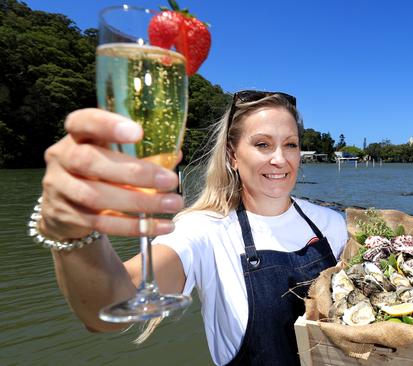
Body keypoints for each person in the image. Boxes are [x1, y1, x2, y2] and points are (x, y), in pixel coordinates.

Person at [36, 91, 348, 365]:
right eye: (262, 144)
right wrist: (71, 230)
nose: (280, 159)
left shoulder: (330, 223)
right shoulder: (203, 230)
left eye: (290, 144)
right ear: (232, 156)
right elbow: (110, 308)